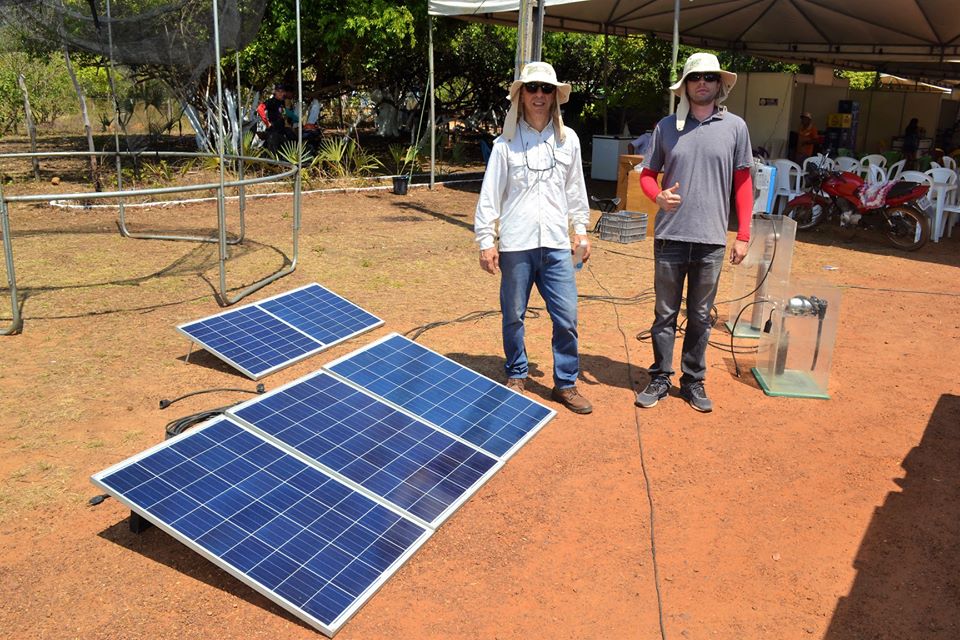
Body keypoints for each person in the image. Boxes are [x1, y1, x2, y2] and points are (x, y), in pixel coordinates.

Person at [634, 52, 754, 413]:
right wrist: (659, 196)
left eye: (709, 77)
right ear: (685, 85)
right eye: (695, 77)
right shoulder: (667, 127)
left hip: (712, 240)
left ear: (720, 85)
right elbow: (645, 175)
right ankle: (660, 376)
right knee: (664, 313)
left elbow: (744, 183)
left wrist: (744, 234)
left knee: (701, 315)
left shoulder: (736, 128)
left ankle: (693, 381)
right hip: (671, 236)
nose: (702, 83)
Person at [474, 61, 592, 415]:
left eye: (546, 89)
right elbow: (490, 195)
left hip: (556, 244)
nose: (539, 95)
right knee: (513, 314)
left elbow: (576, 190)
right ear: (521, 95)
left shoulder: (567, 139)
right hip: (516, 244)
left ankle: (566, 383)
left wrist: (581, 231)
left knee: (567, 316)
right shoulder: (505, 143)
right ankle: (517, 374)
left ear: (555, 95)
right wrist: (486, 240)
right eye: (532, 88)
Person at [261, 83, 297, 154]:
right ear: (275, 92)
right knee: (272, 155)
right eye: (278, 91)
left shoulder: (282, 102)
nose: (280, 93)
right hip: (273, 133)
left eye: (282, 91)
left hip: (281, 131)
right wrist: (267, 123)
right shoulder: (271, 101)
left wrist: (289, 119)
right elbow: (259, 109)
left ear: (284, 93)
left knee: (292, 143)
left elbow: (282, 113)